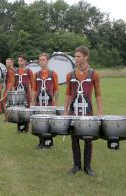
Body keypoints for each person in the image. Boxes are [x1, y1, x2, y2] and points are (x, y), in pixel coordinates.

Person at [64, 46, 103, 176]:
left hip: (87, 111)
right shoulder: (70, 74)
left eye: (78, 56)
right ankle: (76, 166)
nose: (75, 59)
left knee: (88, 139)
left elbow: (98, 94)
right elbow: (68, 94)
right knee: (74, 139)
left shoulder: (94, 74)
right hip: (73, 111)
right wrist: (65, 110)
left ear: (86, 57)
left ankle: (87, 167)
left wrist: (100, 111)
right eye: (75, 56)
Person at [31, 53, 59, 149]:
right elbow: (34, 89)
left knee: (49, 122)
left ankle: (49, 143)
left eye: (43, 60)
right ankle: (41, 142)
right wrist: (32, 102)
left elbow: (56, 89)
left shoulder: (53, 74)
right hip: (39, 102)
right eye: (40, 60)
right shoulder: (36, 74)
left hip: (50, 103)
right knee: (40, 122)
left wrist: (56, 103)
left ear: (47, 61)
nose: (41, 62)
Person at [14, 54, 34, 132]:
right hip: (17, 94)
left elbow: (32, 84)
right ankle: (19, 128)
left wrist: (32, 96)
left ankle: (26, 128)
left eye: (21, 60)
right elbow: (13, 84)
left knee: (26, 111)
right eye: (18, 60)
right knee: (18, 111)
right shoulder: (15, 71)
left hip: (26, 94)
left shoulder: (29, 71)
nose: (19, 62)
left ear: (25, 61)